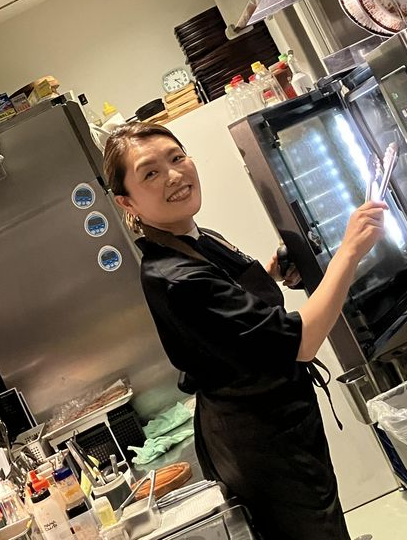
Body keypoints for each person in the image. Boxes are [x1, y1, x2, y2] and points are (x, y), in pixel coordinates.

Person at [104, 122, 386, 540]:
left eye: (176, 158)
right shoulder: (174, 276)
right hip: (261, 441)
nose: (174, 175)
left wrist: (271, 275)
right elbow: (301, 342)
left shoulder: (195, 237)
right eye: (151, 173)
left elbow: (232, 314)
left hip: (283, 418)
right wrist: (349, 252)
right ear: (127, 201)